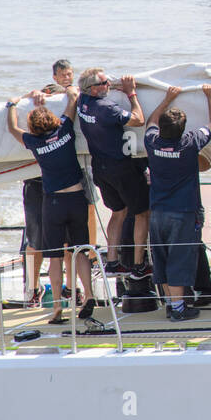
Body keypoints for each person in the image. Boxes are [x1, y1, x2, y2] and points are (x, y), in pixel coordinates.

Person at [5, 87, 95, 324]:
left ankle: (57, 308)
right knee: (80, 251)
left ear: (33, 128)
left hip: (53, 202)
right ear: (54, 121)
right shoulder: (65, 130)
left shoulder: (33, 141)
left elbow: (13, 129)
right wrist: (69, 90)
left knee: (55, 257)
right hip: (76, 199)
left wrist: (12, 104)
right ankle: (89, 296)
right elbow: (73, 101)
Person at [144, 84, 211, 322]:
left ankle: (172, 304)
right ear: (183, 129)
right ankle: (178, 308)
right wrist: (210, 96)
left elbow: (150, 121)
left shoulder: (152, 142)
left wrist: (167, 99)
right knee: (179, 258)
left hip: (158, 211)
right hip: (183, 211)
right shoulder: (190, 144)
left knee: (163, 258)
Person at [77, 68, 149, 276]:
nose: (108, 85)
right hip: (121, 168)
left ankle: (112, 261)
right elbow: (138, 119)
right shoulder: (106, 107)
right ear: (92, 89)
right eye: (104, 83)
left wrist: (112, 86)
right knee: (142, 214)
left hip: (100, 168)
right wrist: (131, 94)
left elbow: (75, 90)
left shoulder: (82, 100)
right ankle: (139, 265)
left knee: (118, 212)